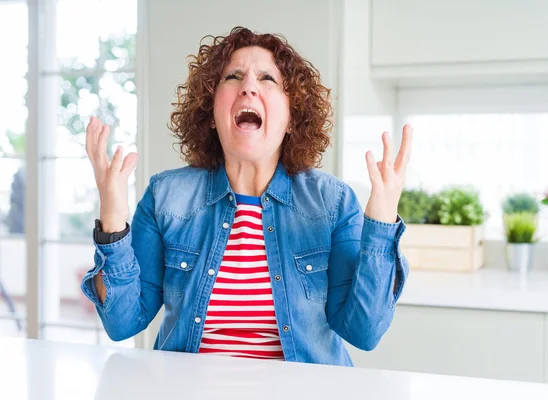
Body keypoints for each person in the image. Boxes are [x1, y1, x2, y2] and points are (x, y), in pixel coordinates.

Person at [81, 26, 412, 366]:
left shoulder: (332, 203)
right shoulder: (166, 197)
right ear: (210, 114)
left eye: (267, 79)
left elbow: (364, 332)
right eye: (233, 77)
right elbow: (123, 323)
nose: (249, 87)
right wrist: (112, 218)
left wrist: (382, 223)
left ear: (291, 118)